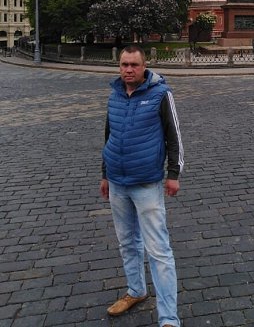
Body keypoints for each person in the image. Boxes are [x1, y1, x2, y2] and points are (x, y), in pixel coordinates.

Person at [100, 44, 184, 327]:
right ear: (119, 66)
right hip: (117, 181)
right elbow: (109, 136)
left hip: (146, 182)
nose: (129, 70)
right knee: (127, 243)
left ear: (144, 66)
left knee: (158, 250)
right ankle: (135, 290)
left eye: (134, 65)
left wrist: (173, 173)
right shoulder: (114, 94)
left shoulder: (161, 93)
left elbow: (174, 136)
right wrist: (104, 174)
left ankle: (169, 318)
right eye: (124, 65)